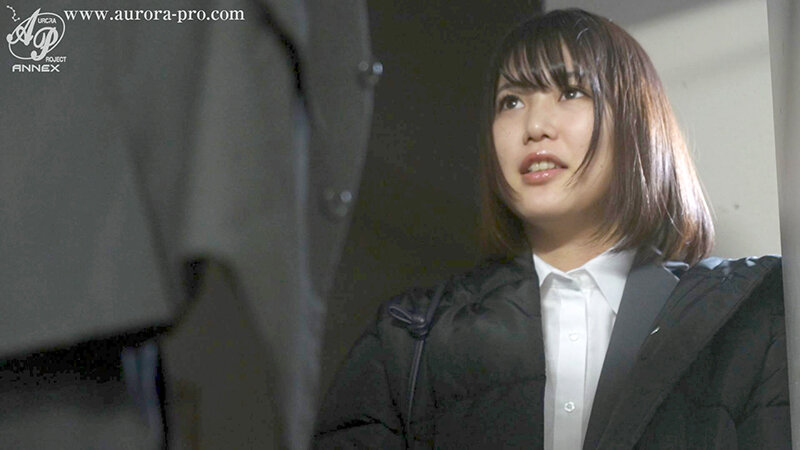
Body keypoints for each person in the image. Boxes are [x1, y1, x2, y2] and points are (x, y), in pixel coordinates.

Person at [313, 8, 791, 449]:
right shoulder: (408, 338)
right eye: (511, 101)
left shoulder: (755, 314)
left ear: (637, 121)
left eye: (571, 92)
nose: (535, 125)